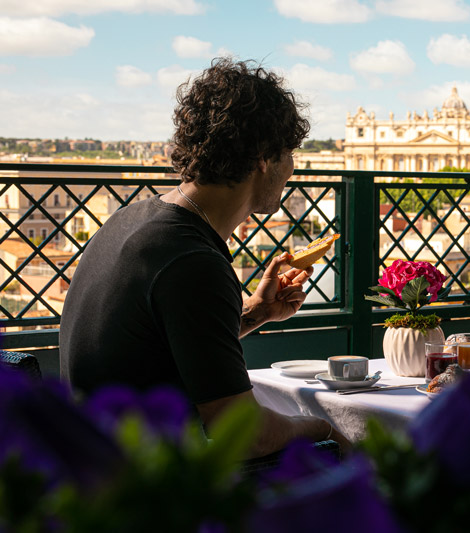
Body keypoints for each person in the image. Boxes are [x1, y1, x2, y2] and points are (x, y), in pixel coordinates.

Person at [60, 57, 349, 456]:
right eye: (289, 152)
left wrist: (257, 313)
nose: (292, 169)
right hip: (143, 479)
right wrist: (323, 428)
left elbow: (162, 349)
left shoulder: (133, 219)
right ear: (264, 158)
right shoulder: (193, 261)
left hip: (86, 461)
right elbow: (246, 432)